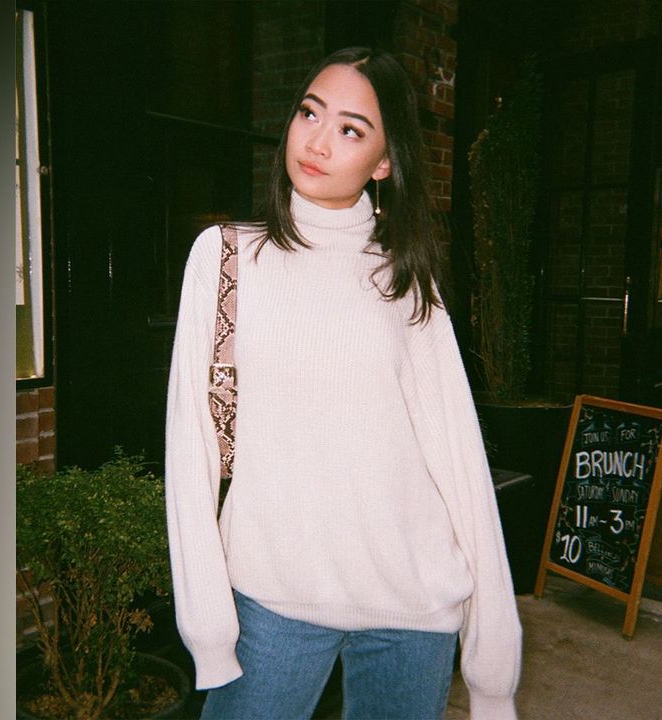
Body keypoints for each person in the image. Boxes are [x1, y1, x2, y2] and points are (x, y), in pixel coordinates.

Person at [164, 46, 522, 720]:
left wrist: (492, 665)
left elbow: (458, 459)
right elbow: (192, 448)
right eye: (310, 113)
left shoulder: (404, 276)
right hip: (273, 602)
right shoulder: (226, 258)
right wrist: (207, 626)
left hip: (411, 609)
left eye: (352, 130)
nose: (318, 141)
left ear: (385, 162)